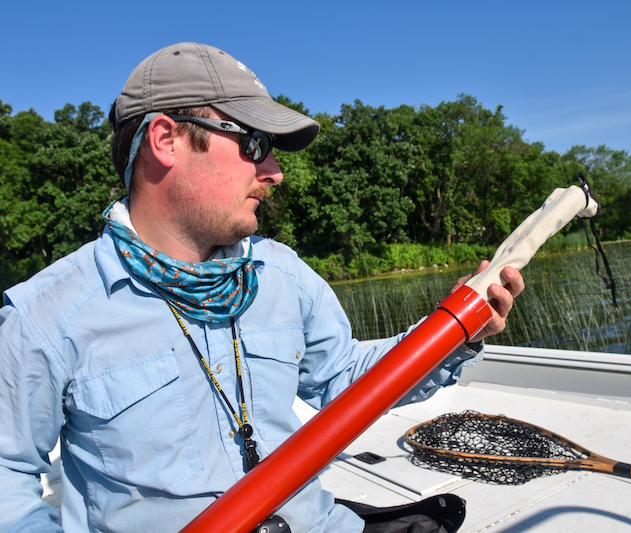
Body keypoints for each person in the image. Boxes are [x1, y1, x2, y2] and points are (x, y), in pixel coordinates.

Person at [0, 42, 524, 533]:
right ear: (166, 140)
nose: (274, 173)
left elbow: (344, 380)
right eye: (255, 144)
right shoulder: (44, 318)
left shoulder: (282, 274)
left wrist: (458, 330)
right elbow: (7, 481)